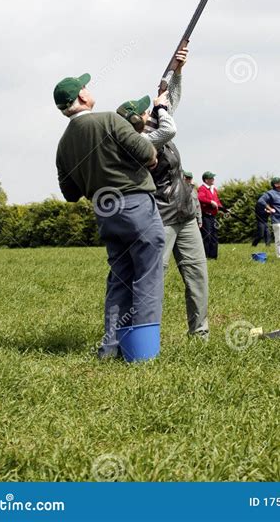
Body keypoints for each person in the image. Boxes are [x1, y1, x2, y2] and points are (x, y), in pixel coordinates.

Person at [54, 73, 165, 359]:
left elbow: (69, 193)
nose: (89, 90)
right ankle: (142, 352)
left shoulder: (63, 144)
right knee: (148, 276)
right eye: (85, 87)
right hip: (135, 204)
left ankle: (111, 348)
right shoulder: (110, 120)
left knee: (120, 279)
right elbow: (147, 154)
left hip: (104, 211)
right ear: (81, 97)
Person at [117, 49, 209, 339]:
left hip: (184, 212)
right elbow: (169, 125)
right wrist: (161, 107)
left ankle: (200, 335)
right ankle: (143, 336)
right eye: (146, 110)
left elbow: (171, 101)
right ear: (138, 121)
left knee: (197, 276)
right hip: (161, 216)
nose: (151, 110)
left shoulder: (155, 124)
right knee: (154, 277)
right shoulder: (142, 142)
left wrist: (177, 70)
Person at [198, 172, 225, 260]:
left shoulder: (214, 189)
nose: (213, 179)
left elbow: (217, 201)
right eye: (211, 178)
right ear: (206, 180)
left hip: (213, 216)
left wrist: (223, 209)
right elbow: (200, 198)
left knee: (214, 236)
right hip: (206, 216)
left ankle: (213, 257)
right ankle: (205, 256)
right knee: (207, 236)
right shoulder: (202, 188)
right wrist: (210, 202)